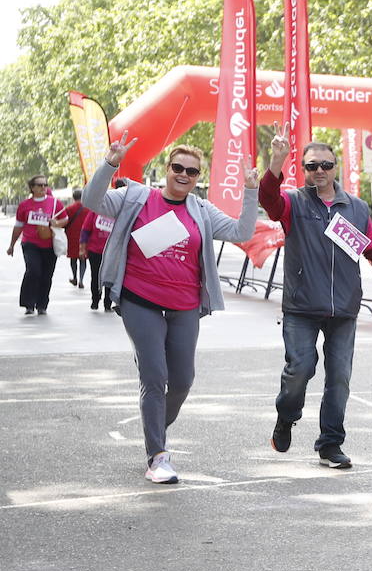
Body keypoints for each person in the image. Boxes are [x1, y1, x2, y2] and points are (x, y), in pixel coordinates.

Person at [83, 135, 260, 484]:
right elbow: (92, 200)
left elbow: (243, 230)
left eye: (191, 171)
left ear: (197, 177)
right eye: (178, 167)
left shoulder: (201, 210)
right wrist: (111, 163)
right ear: (167, 169)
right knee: (154, 375)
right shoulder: (136, 196)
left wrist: (251, 190)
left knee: (182, 381)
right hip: (140, 300)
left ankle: (155, 424)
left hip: (185, 306)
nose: (184, 174)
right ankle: (158, 456)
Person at [260, 130, 372, 469]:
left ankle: (330, 444)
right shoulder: (293, 203)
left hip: (344, 309)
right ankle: (286, 416)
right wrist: (277, 160)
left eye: (326, 165)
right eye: (312, 166)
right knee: (301, 369)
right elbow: (268, 198)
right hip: (302, 307)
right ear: (304, 170)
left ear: (335, 167)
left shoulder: (356, 208)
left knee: (339, 378)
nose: (319, 171)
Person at [8, 174, 69, 315]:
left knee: (46, 275)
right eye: (40, 185)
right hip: (30, 243)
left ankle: (42, 305)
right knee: (33, 271)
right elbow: (18, 226)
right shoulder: (24, 205)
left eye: (45, 185)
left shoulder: (54, 203)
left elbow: (65, 219)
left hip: (49, 244)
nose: (43, 187)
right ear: (32, 188)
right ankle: (28, 304)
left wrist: (57, 223)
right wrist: (11, 244)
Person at [80, 179, 125, 311]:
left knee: (111, 276)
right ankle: (95, 299)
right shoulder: (97, 209)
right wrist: (82, 248)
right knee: (96, 275)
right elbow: (85, 229)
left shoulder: (123, 212)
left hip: (113, 251)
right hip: (95, 250)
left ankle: (107, 303)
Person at [62, 189, 87, 287]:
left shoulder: (69, 209)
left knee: (73, 258)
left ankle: (75, 277)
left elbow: (64, 222)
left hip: (72, 236)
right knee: (83, 258)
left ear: (73, 197)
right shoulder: (88, 209)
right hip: (85, 237)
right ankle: (81, 280)